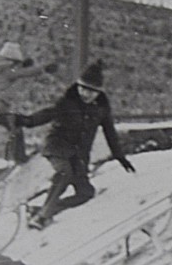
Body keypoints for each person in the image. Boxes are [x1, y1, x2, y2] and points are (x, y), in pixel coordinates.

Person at [13, 60, 136, 230]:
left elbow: (110, 133)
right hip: (57, 147)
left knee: (85, 193)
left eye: (90, 91)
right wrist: (26, 121)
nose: (85, 94)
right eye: (82, 88)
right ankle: (42, 217)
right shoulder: (67, 102)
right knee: (64, 173)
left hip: (79, 155)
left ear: (98, 93)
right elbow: (48, 113)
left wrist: (120, 157)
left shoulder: (101, 109)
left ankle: (42, 209)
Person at [0, 41, 57, 163]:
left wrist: (23, 66)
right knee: (16, 126)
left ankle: (13, 157)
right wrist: (43, 68)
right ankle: (18, 158)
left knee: (14, 126)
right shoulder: (6, 71)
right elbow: (21, 73)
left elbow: (14, 72)